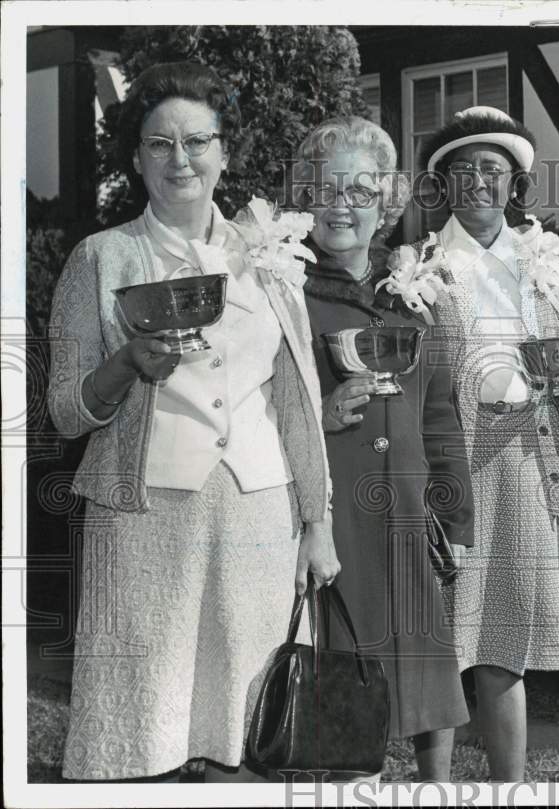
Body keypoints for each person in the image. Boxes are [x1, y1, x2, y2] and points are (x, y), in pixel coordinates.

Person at [47, 62, 337, 782]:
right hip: (146, 519)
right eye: (159, 144)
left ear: (225, 152)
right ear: (136, 157)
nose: (181, 159)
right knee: (147, 727)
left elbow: (297, 401)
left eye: (198, 141)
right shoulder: (101, 257)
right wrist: (126, 365)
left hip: (258, 517)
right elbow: (63, 409)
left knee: (247, 730)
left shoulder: (272, 257)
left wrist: (318, 522)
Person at [292, 116, 474, 781]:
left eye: (361, 192)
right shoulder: (285, 294)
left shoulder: (417, 297)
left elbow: (441, 416)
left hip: (408, 513)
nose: (343, 206)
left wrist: (454, 517)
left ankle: (438, 791)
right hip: (333, 515)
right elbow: (258, 417)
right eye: (328, 189)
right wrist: (322, 412)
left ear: (386, 205)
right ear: (306, 198)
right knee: (344, 665)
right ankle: (345, 781)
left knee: (430, 675)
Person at [409, 106, 559, 781]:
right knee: (441, 640)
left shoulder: (545, 263)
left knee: (504, 639)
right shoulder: (421, 266)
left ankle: (508, 790)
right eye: (464, 169)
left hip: (521, 458)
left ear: (515, 183)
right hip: (451, 456)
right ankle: (436, 790)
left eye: (494, 169)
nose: (479, 181)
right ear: (444, 184)